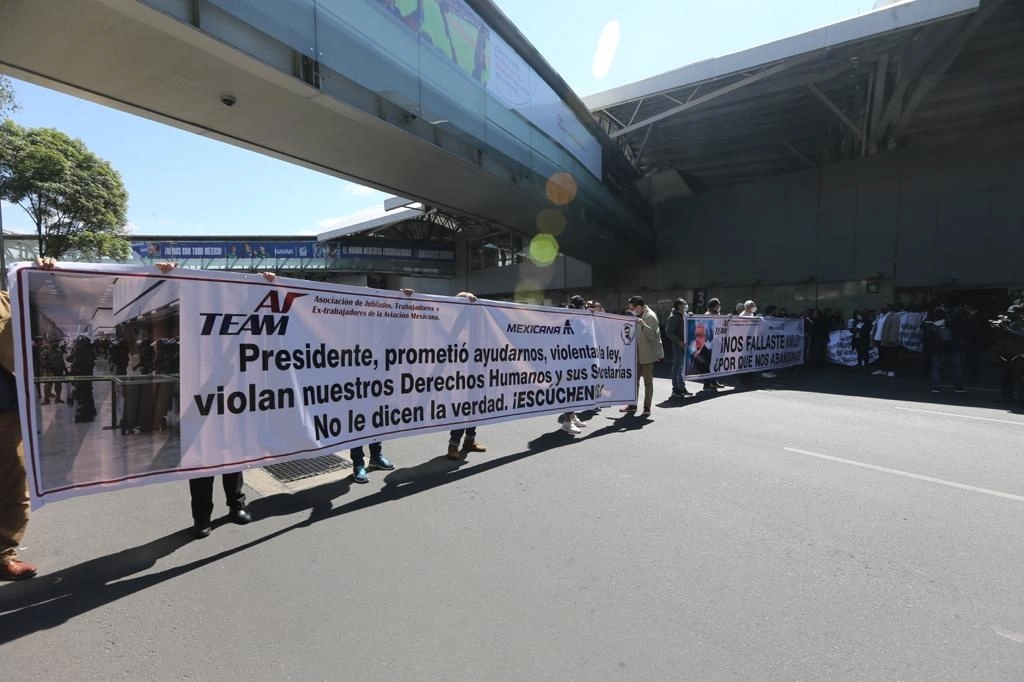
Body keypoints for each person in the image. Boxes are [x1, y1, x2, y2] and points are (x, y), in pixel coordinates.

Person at [1, 257, 56, 580]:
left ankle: (3, 552)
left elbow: (35, 308)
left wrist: (41, 274)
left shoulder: (8, 302)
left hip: (6, 411)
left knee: (13, 483)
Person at [447, 291, 488, 459]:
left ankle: (470, 440)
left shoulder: (476, 323)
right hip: (457, 374)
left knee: (474, 408)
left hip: (475, 371)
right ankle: (453, 444)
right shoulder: (449, 321)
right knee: (460, 409)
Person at [620, 295, 663, 417]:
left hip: (647, 355)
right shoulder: (633, 315)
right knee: (634, 382)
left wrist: (643, 324)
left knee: (648, 382)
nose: (631, 311)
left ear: (639, 307)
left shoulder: (651, 317)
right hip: (635, 354)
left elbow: (653, 337)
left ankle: (647, 407)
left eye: (632, 308)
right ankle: (632, 405)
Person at [557, 295, 588, 434]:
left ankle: (572, 416)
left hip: (575, 358)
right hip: (570, 360)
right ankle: (567, 422)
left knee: (576, 391)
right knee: (571, 391)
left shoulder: (572, 317)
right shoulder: (572, 318)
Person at [664, 298, 691, 398]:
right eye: (684, 303)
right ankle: (675, 389)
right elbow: (669, 332)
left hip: (684, 345)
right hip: (678, 345)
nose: (686, 305)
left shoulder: (683, 315)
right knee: (677, 367)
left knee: (682, 368)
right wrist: (678, 341)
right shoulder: (673, 317)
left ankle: (682, 387)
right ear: (679, 305)